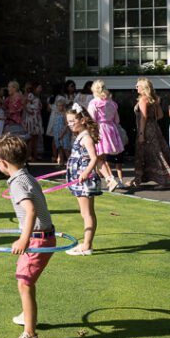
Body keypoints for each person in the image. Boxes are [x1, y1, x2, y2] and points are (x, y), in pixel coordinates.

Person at [0, 134, 56, 338]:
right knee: (25, 279)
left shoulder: (17, 184)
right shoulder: (27, 177)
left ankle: (30, 335)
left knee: (24, 282)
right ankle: (27, 313)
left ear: (2, 163)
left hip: (37, 239)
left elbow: (30, 211)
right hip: (44, 236)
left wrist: (24, 238)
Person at [128, 78, 170, 190]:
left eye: (138, 86)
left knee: (152, 154)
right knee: (156, 151)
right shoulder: (153, 100)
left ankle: (164, 180)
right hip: (155, 128)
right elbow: (160, 115)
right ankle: (139, 179)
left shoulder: (143, 100)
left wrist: (141, 133)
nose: (136, 87)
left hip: (146, 129)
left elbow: (143, 117)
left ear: (143, 87)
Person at [64, 104, 101, 256]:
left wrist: (86, 172)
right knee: (85, 213)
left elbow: (94, 158)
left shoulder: (86, 138)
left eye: (73, 121)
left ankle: (87, 246)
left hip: (84, 180)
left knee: (87, 213)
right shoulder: (80, 136)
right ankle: (86, 243)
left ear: (83, 120)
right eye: (68, 122)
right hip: (79, 180)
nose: (70, 125)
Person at [87, 79, 126, 190]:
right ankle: (105, 179)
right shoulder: (112, 103)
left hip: (99, 129)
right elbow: (117, 120)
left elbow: (92, 119)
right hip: (110, 129)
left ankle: (107, 179)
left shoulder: (94, 103)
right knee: (100, 157)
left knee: (96, 157)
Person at [23, 83, 44, 161]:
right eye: (39, 87)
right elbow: (26, 105)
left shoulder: (33, 96)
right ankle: (30, 155)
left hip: (35, 118)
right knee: (32, 138)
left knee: (34, 138)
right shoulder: (30, 96)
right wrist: (28, 111)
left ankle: (33, 154)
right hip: (33, 119)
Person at [50, 98, 72, 166]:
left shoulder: (64, 114)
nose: (60, 107)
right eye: (58, 106)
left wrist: (62, 134)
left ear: (64, 106)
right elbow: (55, 123)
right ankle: (61, 162)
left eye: (61, 106)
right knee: (60, 148)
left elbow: (66, 125)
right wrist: (53, 130)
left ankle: (71, 163)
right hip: (57, 132)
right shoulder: (56, 113)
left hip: (63, 133)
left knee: (66, 149)